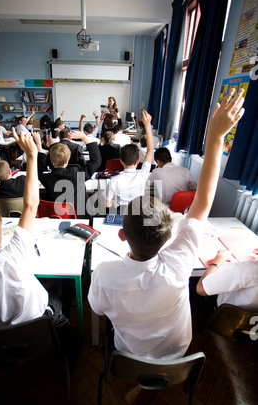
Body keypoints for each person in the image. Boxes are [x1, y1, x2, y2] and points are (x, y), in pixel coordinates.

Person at [88, 89, 245, 360]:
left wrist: (214, 138)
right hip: (179, 355)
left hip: (128, 357)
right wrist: (216, 138)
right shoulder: (180, 260)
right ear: (169, 235)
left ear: (123, 235)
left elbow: (98, 310)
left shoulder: (104, 273)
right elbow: (203, 202)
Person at [0, 128, 82, 369]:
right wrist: (33, 155)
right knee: (63, 289)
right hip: (40, 327)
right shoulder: (11, 257)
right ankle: (67, 355)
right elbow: (30, 204)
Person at [34, 129, 101, 218]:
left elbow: (37, 170)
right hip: (79, 218)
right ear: (67, 161)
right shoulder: (76, 174)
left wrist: (38, 145)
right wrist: (84, 137)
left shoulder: (47, 178)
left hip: (55, 218)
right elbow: (96, 161)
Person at [105, 110, 154, 210]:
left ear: (121, 161)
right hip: (138, 216)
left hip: (121, 216)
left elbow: (107, 204)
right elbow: (150, 150)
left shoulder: (114, 180)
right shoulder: (143, 174)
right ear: (138, 161)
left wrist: (115, 203)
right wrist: (147, 125)